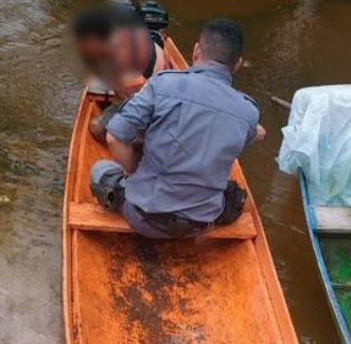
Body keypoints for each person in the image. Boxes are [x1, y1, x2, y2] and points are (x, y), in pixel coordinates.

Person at [89, 18, 265, 239]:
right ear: (238, 63)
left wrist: (134, 170)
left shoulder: (163, 84)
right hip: (201, 223)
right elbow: (246, 138)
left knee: (100, 169)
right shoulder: (248, 112)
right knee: (235, 194)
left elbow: (114, 137)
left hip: (144, 217)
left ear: (196, 51)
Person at [71, 5, 169, 139]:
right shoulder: (149, 41)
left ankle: (142, 140)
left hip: (147, 105)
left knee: (95, 128)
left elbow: (137, 101)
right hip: (159, 94)